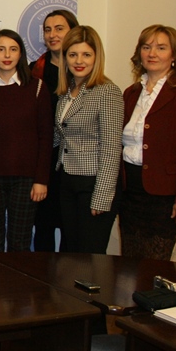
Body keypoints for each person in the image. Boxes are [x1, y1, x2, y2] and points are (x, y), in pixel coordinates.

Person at [118, 25, 176, 260]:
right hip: (130, 194)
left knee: (160, 264)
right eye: (146, 47)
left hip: (165, 197)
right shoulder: (131, 93)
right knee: (130, 263)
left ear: (174, 55)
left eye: (161, 48)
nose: (152, 53)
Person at [0, 30, 54, 253]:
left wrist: (41, 180)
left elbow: (45, 136)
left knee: (20, 243)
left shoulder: (36, 87)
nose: (7, 55)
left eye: (13, 49)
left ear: (20, 54)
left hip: (26, 179)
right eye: (1, 49)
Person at [54, 26, 123, 254]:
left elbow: (111, 147)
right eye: (73, 54)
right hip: (67, 180)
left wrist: (102, 197)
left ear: (97, 57)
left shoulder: (107, 91)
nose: (79, 61)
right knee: (70, 255)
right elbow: (61, 135)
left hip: (93, 183)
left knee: (89, 259)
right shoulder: (67, 92)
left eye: (86, 54)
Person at [29, 9, 79, 252]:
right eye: (47, 30)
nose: (52, 35)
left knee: (72, 227)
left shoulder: (82, 71)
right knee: (43, 224)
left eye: (59, 29)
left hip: (74, 161)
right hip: (43, 159)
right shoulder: (33, 70)